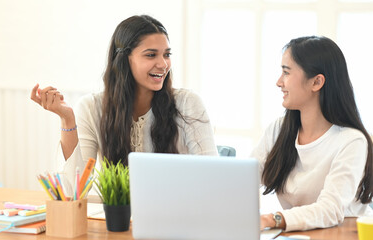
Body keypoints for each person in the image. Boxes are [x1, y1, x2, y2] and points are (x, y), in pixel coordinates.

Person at [30, 15, 217, 186]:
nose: (163, 64)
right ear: (124, 59)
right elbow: (74, 189)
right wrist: (67, 119)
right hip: (117, 220)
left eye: (167, 54)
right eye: (151, 55)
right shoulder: (91, 107)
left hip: (176, 217)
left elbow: (213, 178)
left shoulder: (188, 103)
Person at [252, 36, 373, 232]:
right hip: (300, 234)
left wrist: (270, 219)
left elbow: (330, 210)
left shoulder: (352, 141)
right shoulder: (278, 130)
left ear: (316, 82)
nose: (278, 82)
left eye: (286, 72)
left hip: (343, 234)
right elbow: (246, 179)